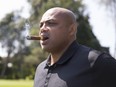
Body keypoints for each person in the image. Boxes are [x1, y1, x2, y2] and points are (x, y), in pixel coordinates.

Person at [34, 7, 116, 87]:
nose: (42, 29)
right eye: (41, 25)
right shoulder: (40, 69)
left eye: (51, 23)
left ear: (72, 29)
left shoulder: (98, 62)